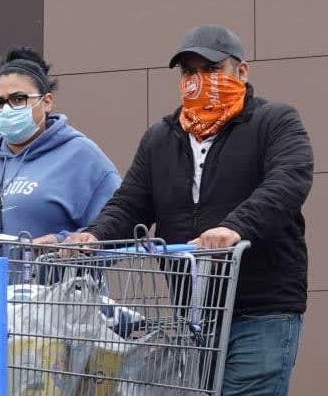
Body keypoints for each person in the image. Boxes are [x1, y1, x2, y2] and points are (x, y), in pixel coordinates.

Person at [66, 24, 314, 396]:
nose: (198, 81)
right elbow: (130, 202)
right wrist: (95, 235)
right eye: (188, 72)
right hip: (194, 316)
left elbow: (288, 181)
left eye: (211, 70)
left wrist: (235, 227)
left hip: (262, 309)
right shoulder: (161, 139)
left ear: (241, 72)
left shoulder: (274, 122)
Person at [0, 47, 122, 274]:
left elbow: (118, 231)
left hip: (57, 305)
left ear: (47, 102)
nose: (7, 109)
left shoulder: (83, 158)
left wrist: (64, 242)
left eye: (18, 99)